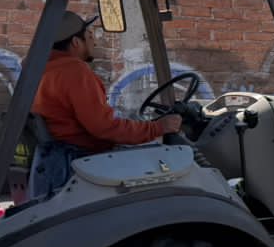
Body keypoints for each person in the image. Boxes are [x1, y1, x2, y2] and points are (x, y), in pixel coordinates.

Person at [29, 11, 181, 197]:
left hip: (53, 162)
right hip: (79, 163)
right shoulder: (74, 71)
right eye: (89, 35)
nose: (94, 40)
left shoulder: (36, 69)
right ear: (76, 42)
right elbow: (104, 128)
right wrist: (157, 127)